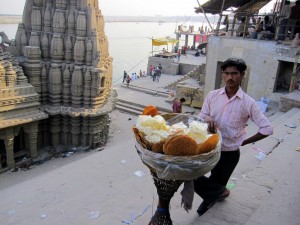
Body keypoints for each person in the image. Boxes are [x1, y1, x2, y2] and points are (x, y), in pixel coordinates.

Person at [194, 58, 273, 216]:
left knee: (203, 207)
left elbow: (267, 129)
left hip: (229, 153)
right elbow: (202, 114)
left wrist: (244, 142)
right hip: (209, 148)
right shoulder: (213, 95)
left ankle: (217, 193)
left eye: (234, 74)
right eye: (227, 73)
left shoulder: (248, 103)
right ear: (223, 75)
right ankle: (220, 191)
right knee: (191, 175)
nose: (230, 77)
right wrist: (207, 118)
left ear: (242, 75)